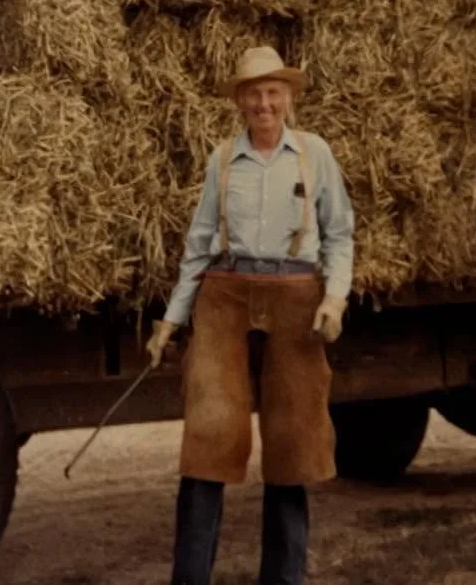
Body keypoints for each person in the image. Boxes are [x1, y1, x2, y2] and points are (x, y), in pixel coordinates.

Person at [146, 45, 355, 585]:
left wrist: (334, 298)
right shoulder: (221, 160)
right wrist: (171, 320)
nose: (264, 103)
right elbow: (198, 245)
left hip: (296, 299)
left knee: (292, 445)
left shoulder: (315, 155)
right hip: (226, 296)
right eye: (254, 94)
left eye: (273, 93)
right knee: (208, 442)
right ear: (240, 102)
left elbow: (339, 234)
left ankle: (283, 578)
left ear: (288, 98)